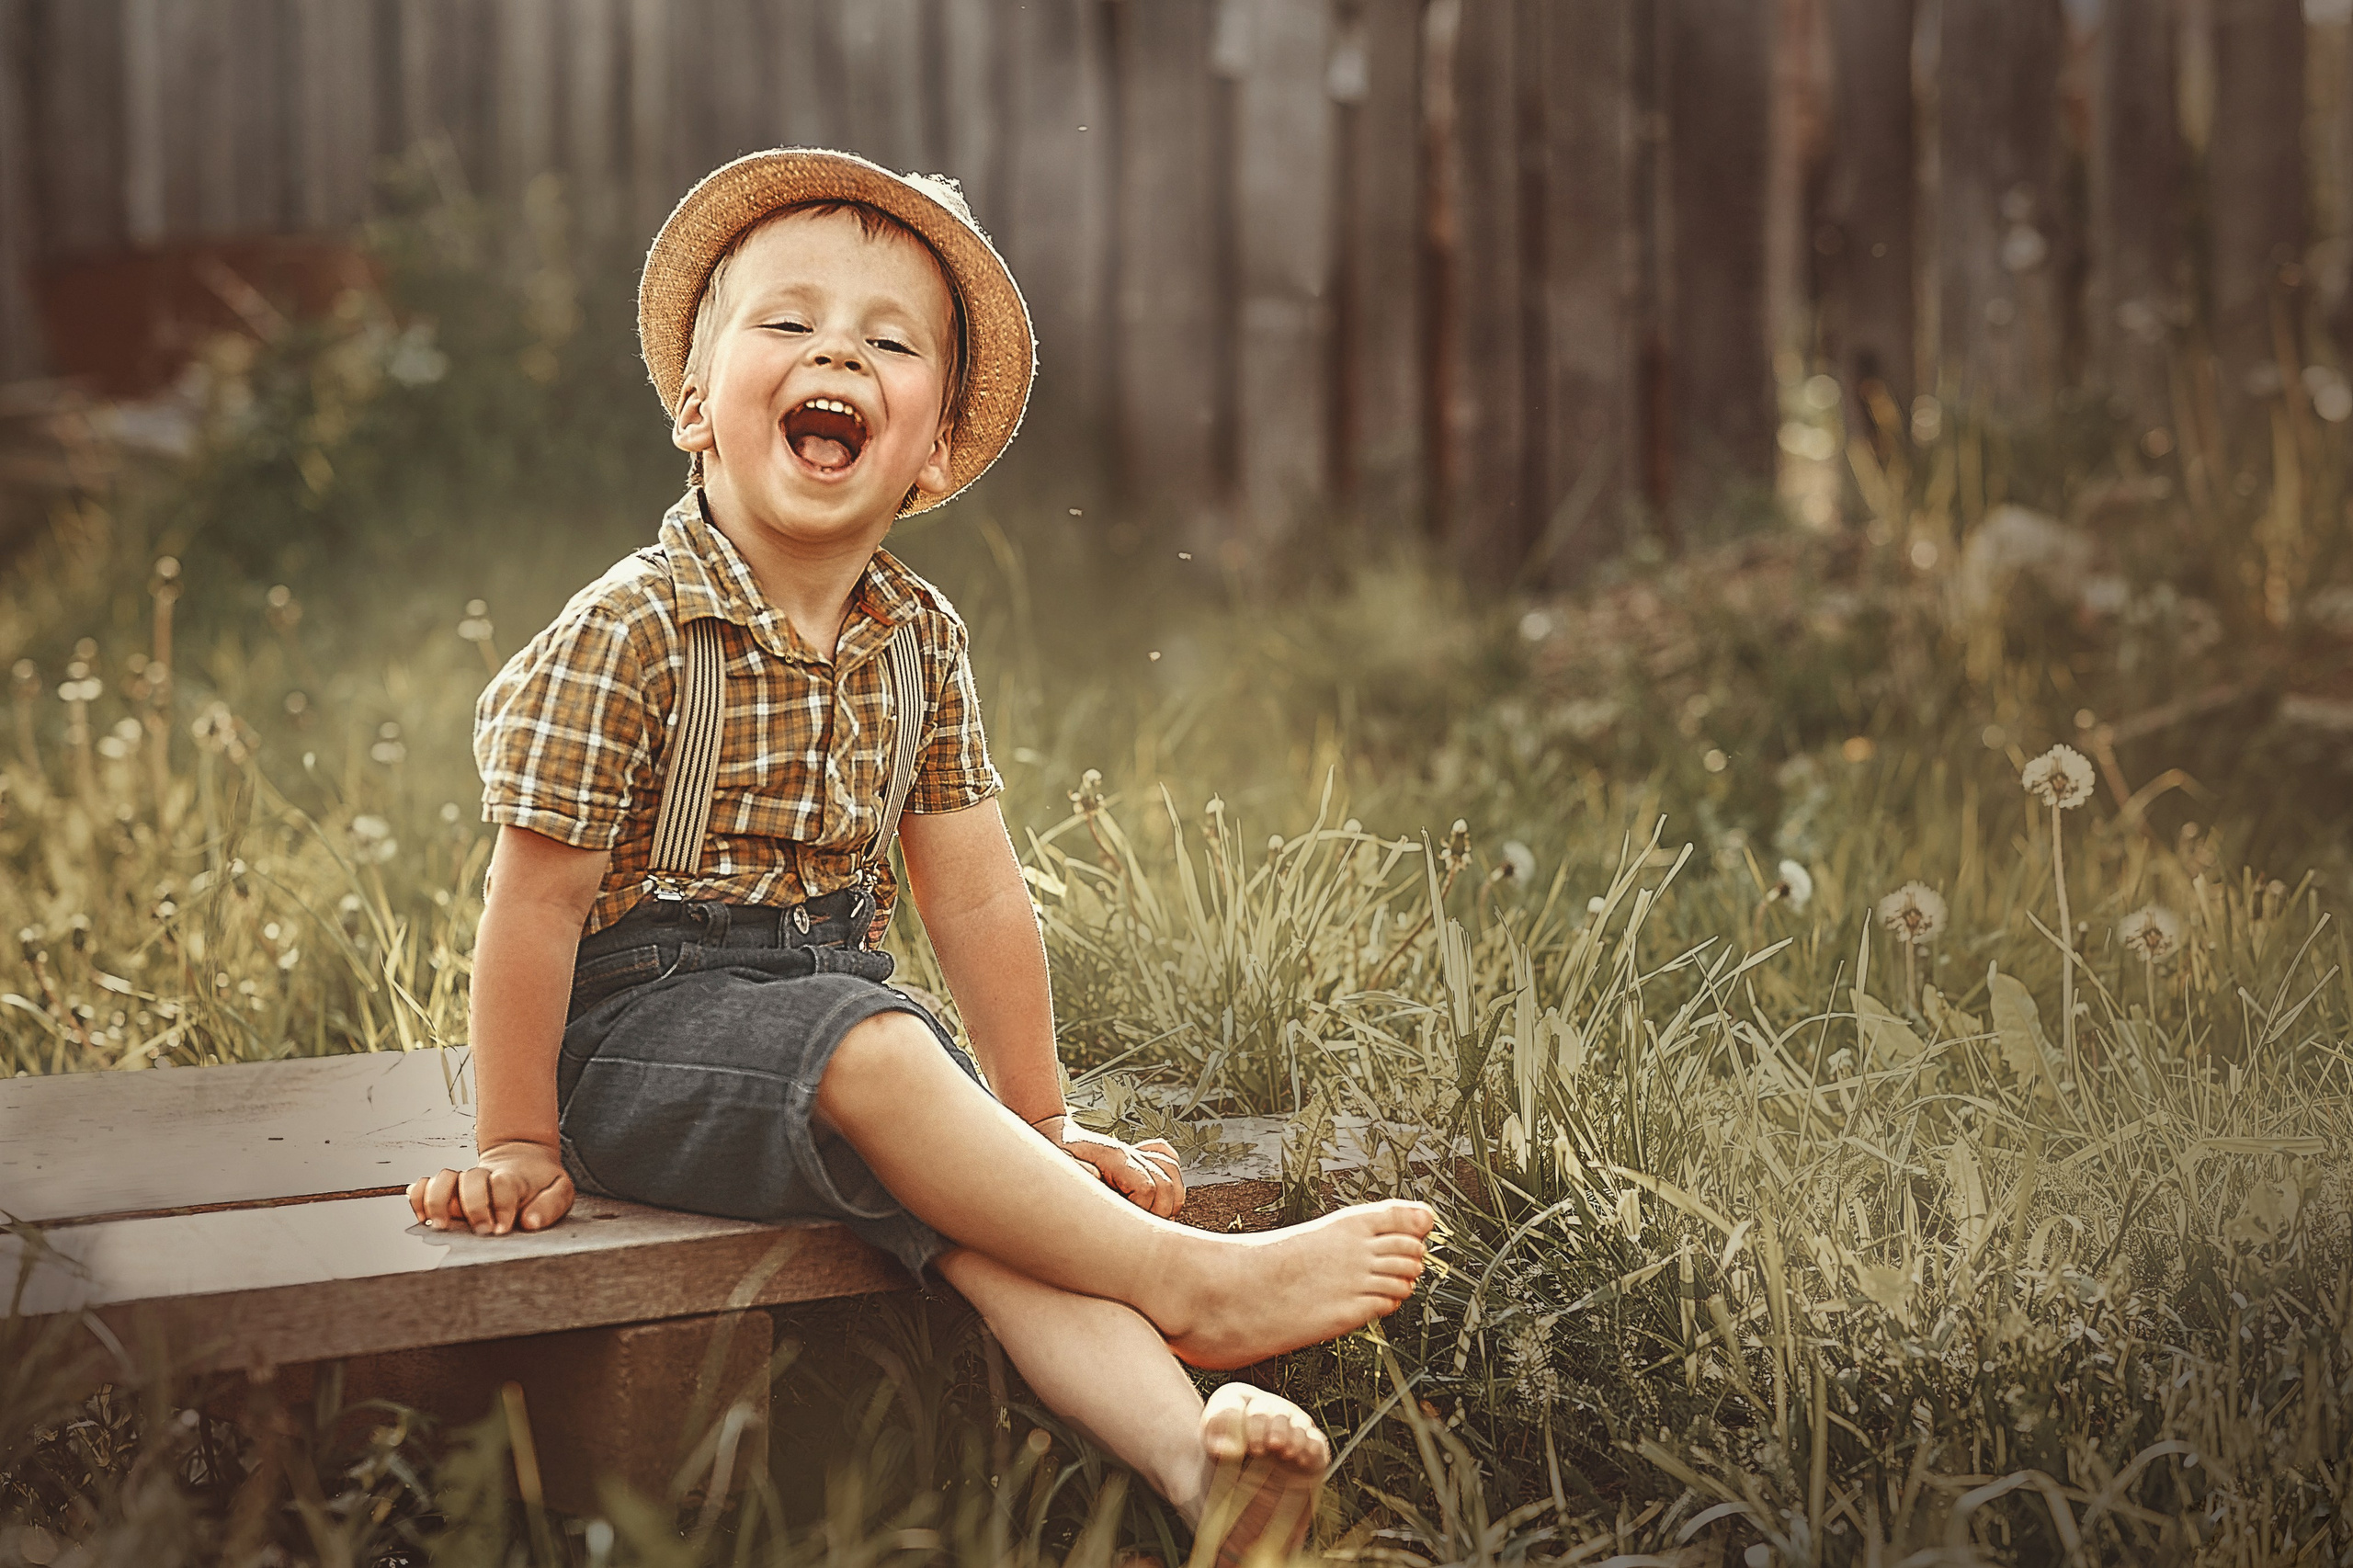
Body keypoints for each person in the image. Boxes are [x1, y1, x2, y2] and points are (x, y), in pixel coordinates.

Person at [407, 149, 1434, 1559]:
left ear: (930, 450)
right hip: (637, 1047)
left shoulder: (921, 641)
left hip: (834, 1023)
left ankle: (1207, 1484)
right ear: (697, 407)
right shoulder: (631, 629)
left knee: (1006, 1233)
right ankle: (1195, 1287)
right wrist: (518, 1137)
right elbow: (534, 899)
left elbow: (974, 889)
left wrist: (1038, 1116)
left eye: (887, 341)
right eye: (788, 321)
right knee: (884, 1052)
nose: (837, 346)